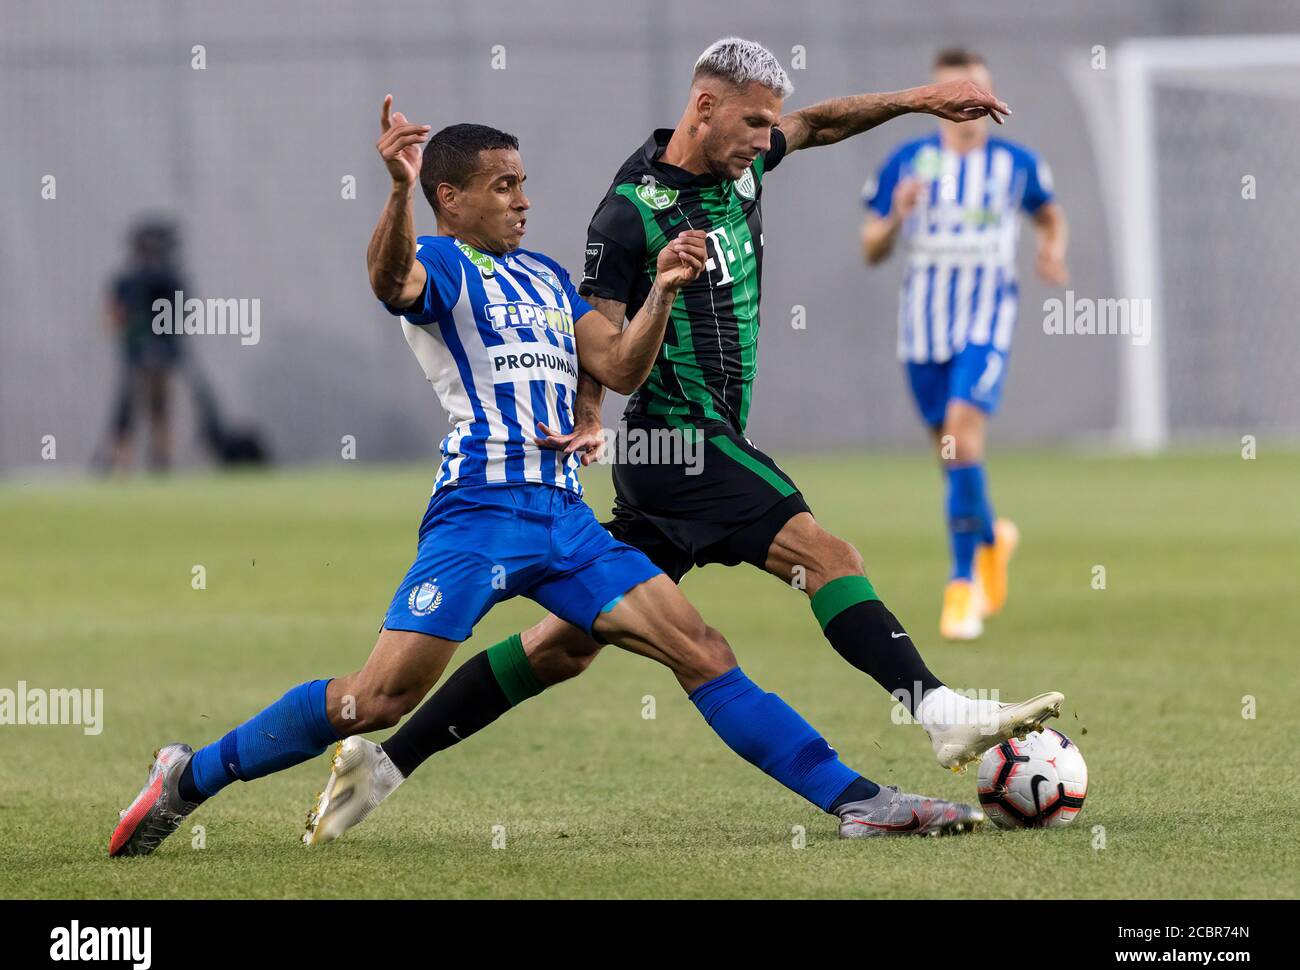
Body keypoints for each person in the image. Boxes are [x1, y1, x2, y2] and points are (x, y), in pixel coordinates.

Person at [110, 96, 989, 858]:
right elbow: (389, 278)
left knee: (702, 649)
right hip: (478, 518)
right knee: (374, 700)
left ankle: (858, 803)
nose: (525, 201)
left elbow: (620, 363)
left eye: (525, 183)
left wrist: (662, 294)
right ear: (448, 198)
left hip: (566, 522)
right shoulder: (445, 265)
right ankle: (190, 776)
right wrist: (392, 193)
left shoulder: (543, 277)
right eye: (504, 186)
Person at [306, 40, 1064, 845]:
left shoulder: (747, 162)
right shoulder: (628, 210)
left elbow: (818, 124)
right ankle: (938, 710)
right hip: (679, 441)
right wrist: (592, 413)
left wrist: (917, 99)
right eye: (751, 122)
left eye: (767, 125)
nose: (764, 139)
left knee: (562, 648)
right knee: (827, 555)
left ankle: (386, 765)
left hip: (689, 456)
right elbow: (592, 328)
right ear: (703, 108)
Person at [861, 48, 1069, 640]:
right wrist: (895, 218)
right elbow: (870, 248)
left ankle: (962, 586)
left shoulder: (1016, 163)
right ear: (939, 101)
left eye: (982, 92)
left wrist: (1051, 247)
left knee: (961, 431)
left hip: (986, 315)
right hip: (923, 325)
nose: (974, 104)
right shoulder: (907, 162)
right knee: (950, 453)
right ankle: (990, 538)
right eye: (961, 93)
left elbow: (1049, 215)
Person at [103, 220, 186, 472]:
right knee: (128, 409)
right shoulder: (128, 281)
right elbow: (113, 317)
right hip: (136, 355)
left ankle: (160, 459)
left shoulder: (170, 280)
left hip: (159, 355)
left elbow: (182, 316)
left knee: (159, 409)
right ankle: (121, 461)